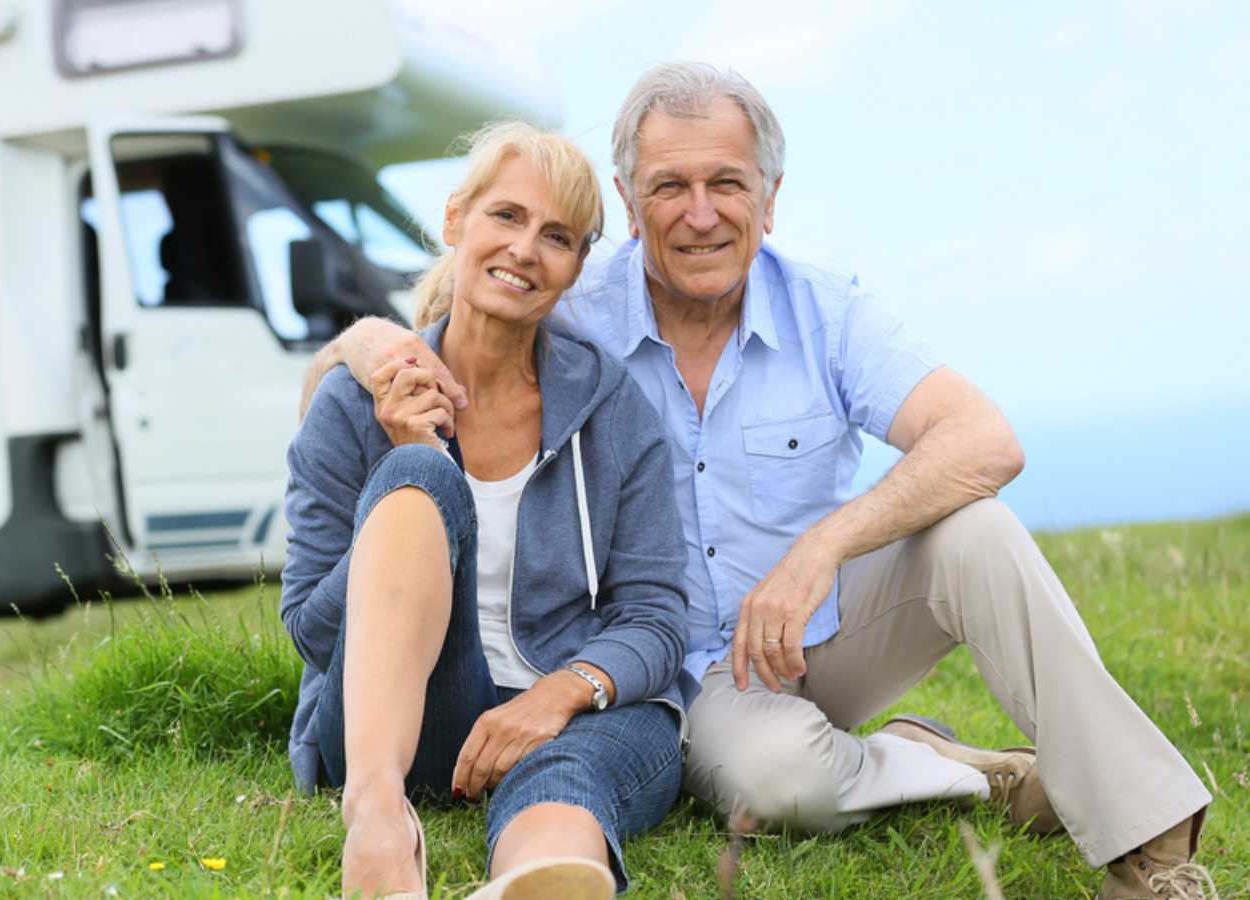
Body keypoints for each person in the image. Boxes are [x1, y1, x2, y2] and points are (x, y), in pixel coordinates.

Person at [307, 64, 1216, 899]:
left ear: (769, 199)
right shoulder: (569, 300)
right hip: (684, 679)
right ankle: (954, 769)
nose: (700, 213)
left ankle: (1154, 843)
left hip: (818, 633)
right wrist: (371, 344)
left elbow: (985, 439)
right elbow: (404, 342)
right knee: (777, 780)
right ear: (628, 203)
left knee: (978, 531)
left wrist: (822, 548)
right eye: (670, 187)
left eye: (727, 184)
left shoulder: (828, 311)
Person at [282, 121, 696, 899]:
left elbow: (655, 616)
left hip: (568, 713)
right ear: (455, 221)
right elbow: (309, 630)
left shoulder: (613, 408)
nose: (525, 250)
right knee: (415, 473)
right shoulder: (350, 404)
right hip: (399, 728)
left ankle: (539, 876)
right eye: (506, 216)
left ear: (574, 268)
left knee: (575, 763)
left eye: (558, 236)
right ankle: (377, 819)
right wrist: (412, 474)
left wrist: (557, 693)